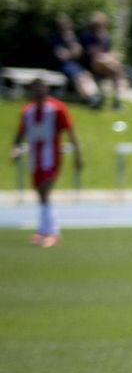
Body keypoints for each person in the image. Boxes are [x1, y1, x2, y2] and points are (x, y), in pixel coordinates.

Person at [11, 78, 83, 248]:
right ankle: (43, 230)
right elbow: (20, 133)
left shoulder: (57, 108)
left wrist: (78, 155)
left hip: (51, 156)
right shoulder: (27, 111)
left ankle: (53, 232)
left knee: (44, 191)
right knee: (41, 194)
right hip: (35, 157)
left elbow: (71, 132)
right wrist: (15, 148)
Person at [77, 12, 132, 111]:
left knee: (115, 69)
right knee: (103, 60)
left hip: (107, 67)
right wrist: (102, 45)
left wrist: (109, 55)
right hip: (92, 65)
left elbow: (111, 52)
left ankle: (117, 101)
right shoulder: (87, 37)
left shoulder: (106, 37)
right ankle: (128, 71)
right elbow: (93, 54)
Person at [48, 15, 102, 107]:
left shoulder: (72, 38)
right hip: (62, 66)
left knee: (87, 75)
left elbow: (78, 53)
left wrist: (70, 44)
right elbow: (62, 56)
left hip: (74, 64)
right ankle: (90, 98)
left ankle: (95, 96)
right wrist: (72, 52)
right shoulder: (55, 38)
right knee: (80, 78)